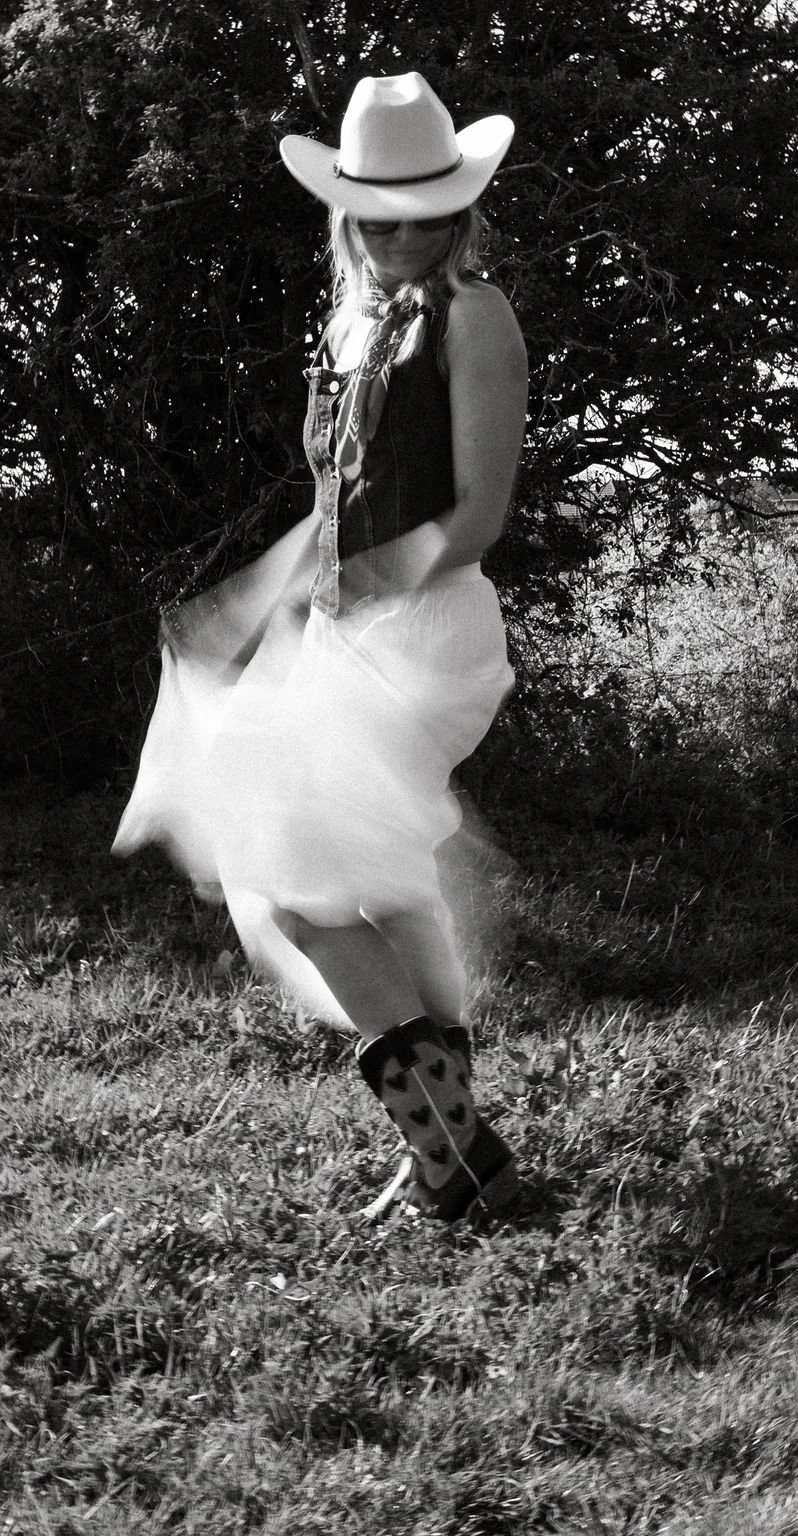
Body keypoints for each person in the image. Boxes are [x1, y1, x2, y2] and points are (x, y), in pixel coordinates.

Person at [113, 72, 529, 1223]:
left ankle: (456, 1151)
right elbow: (333, 505)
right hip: (351, 625)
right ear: (346, 213)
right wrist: (251, 601)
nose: (400, 236)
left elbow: (478, 515)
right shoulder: (349, 327)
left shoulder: (474, 314)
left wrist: (363, 590)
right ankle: (448, 1152)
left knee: (296, 885)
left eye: (424, 213)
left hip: (430, 627)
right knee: (378, 894)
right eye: (378, 215)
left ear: (461, 209)